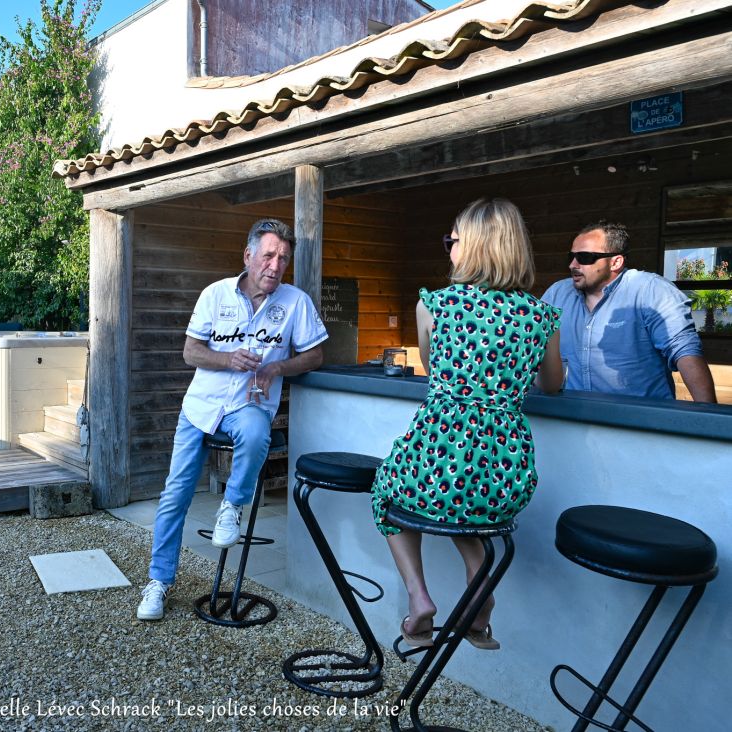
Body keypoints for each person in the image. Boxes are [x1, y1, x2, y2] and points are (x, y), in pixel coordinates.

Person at [372, 198, 563, 650]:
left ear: (473, 245)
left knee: (387, 490)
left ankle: (420, 598)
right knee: (468, 507)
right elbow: (552, 385)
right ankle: (479, 597)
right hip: (507, 470)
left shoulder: (434, 305)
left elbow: (434, 366)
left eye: (451, 240)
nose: (448, 249)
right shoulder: (542, 317)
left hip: (437, 453)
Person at [137, 218, 328, 621]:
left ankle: (232, 505)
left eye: (283, 258)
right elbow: (191, 352)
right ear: (248, 256)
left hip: (249, 404)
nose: (275, 265)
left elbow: (315, 356)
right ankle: (158, 581)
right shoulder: (215, 294)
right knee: (175, 495)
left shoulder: (296, 302)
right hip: (201, 406)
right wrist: (227, 360)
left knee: (258, 434)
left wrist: (277, 369)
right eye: (269, 255)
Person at [541, 221, 716, 402]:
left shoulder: (651, 291)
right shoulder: (557, 294)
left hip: (639, 423)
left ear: (616, 262)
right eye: (571, 256)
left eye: (585, 257)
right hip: (571, 419)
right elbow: (531, 348)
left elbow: (685, 352)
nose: (572, 265)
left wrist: (709, 418)